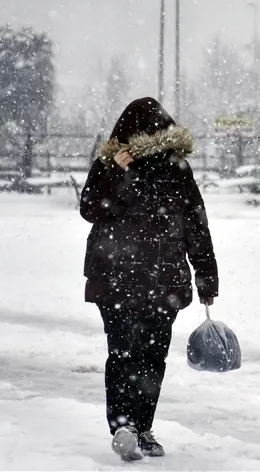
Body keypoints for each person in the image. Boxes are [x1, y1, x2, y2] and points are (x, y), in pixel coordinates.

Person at [79, 97, 218, 461]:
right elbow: (91, 209)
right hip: (124, 279)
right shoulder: (111, 165)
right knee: (138, 355)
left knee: (140, 355)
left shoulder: (176, 168)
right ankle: (127, 427)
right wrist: (116, 172)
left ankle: (137, 427)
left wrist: (206, 276)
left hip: (154, 280)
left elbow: (194, 224)